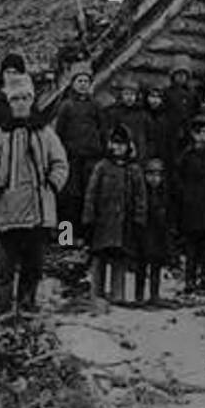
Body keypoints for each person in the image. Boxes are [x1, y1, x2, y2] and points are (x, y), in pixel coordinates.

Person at [0, 72, 69, 318]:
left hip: (39, 214)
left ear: (31, 101)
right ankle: (2, 315)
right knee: (4, 271)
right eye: (15, 99)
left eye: (25, 98)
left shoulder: (45, 133)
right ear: (10, 102)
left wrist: (51, 184)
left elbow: (60, 163)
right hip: (8, 214)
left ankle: (27, 312)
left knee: (33, 268)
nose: (20, 103)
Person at [83, 124, 147, 311]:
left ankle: (117, 295)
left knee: (119, 258)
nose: (118, 148)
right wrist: (88, 217)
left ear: (128, 146)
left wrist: (139, 218)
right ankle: (97, 294)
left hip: (123, 222)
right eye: (115, 144)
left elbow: (140, 196)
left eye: (122, 144)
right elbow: (91, 193)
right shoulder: (102, 167)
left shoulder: (133, 169)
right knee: (99, 257)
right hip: (103, 221)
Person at [172, 113, 205, 295]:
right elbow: (178, 178)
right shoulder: (186, 155)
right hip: (191, 206)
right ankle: (189, 279)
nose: (201, 135)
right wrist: (184, 195)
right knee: (191, 246)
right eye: (198, 132)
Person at [52, 62, 105, 238]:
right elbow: (59, 133)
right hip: (72, 159)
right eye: (79, 80)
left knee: (89, 196)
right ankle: (65, 238)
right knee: (69, 198)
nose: (83, 84)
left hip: (91, 159)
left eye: (86, 81)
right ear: (73, 83)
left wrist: (102, 151)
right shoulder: (66, 106)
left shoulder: (95, 106)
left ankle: (87, 237)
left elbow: (102, 130)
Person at [134, 158, 171, 307]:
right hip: (143, 233)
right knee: (141, 265)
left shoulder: (165, 193)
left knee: (156, 265)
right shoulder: (142, 193)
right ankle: (139, 295)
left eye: (158, 175)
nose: (154, 179)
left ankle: (154, 294)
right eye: (151, 175)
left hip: (158, 234)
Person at [105, 75, 153, 163]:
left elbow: (150, 136)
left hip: (140, 154)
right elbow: (109, 134)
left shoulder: (143, 114)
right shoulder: (114, 113)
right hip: (119, 155)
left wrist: (147, 153)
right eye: (126, 94)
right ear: (121, 95)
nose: (129, 97)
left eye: (132, 94)